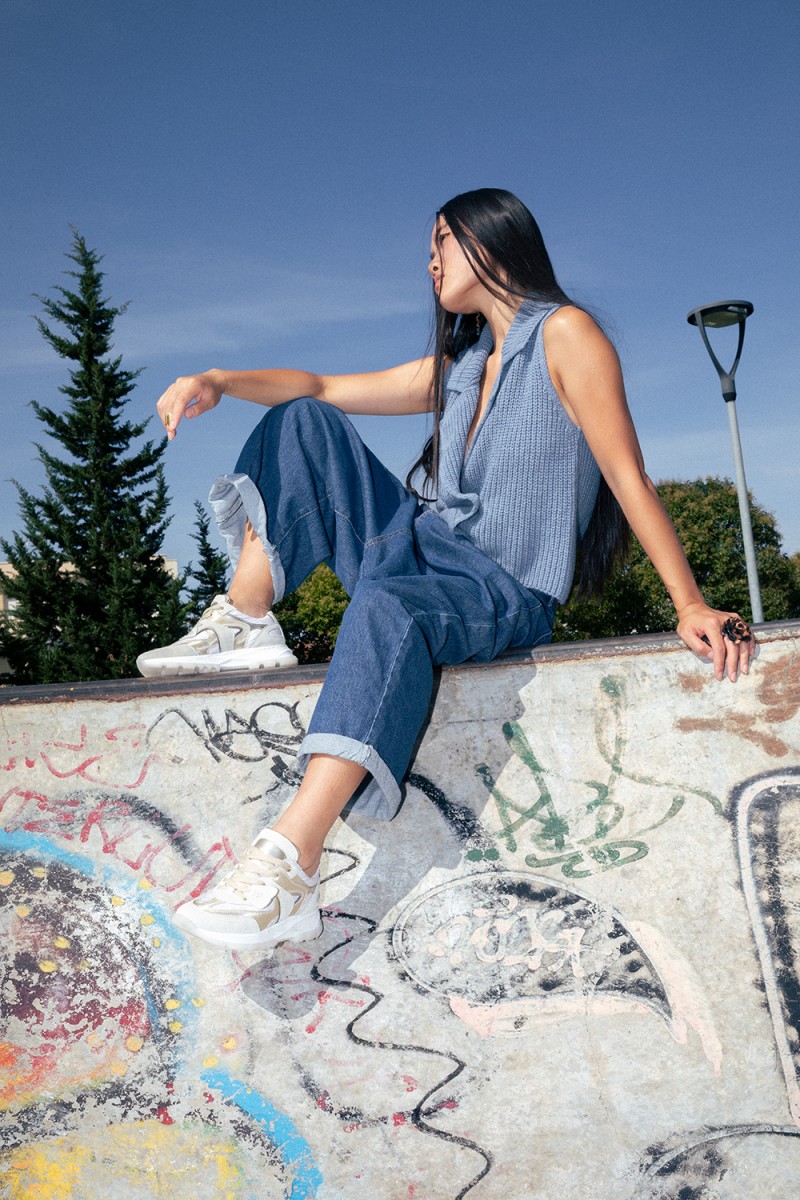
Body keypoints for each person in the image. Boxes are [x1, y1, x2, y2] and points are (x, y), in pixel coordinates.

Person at [138, 188, 755, 953]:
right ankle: (245, 618)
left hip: (500, 587)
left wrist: (688, 602)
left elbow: (626, 475)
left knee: (388, 606)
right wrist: (220, 380)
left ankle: (290, 865)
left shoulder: (566, 334)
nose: (429, 262)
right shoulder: (462, 367)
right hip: (424, 546)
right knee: (303, 421)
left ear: (491, 238)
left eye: (441, 242)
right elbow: (322, 388)